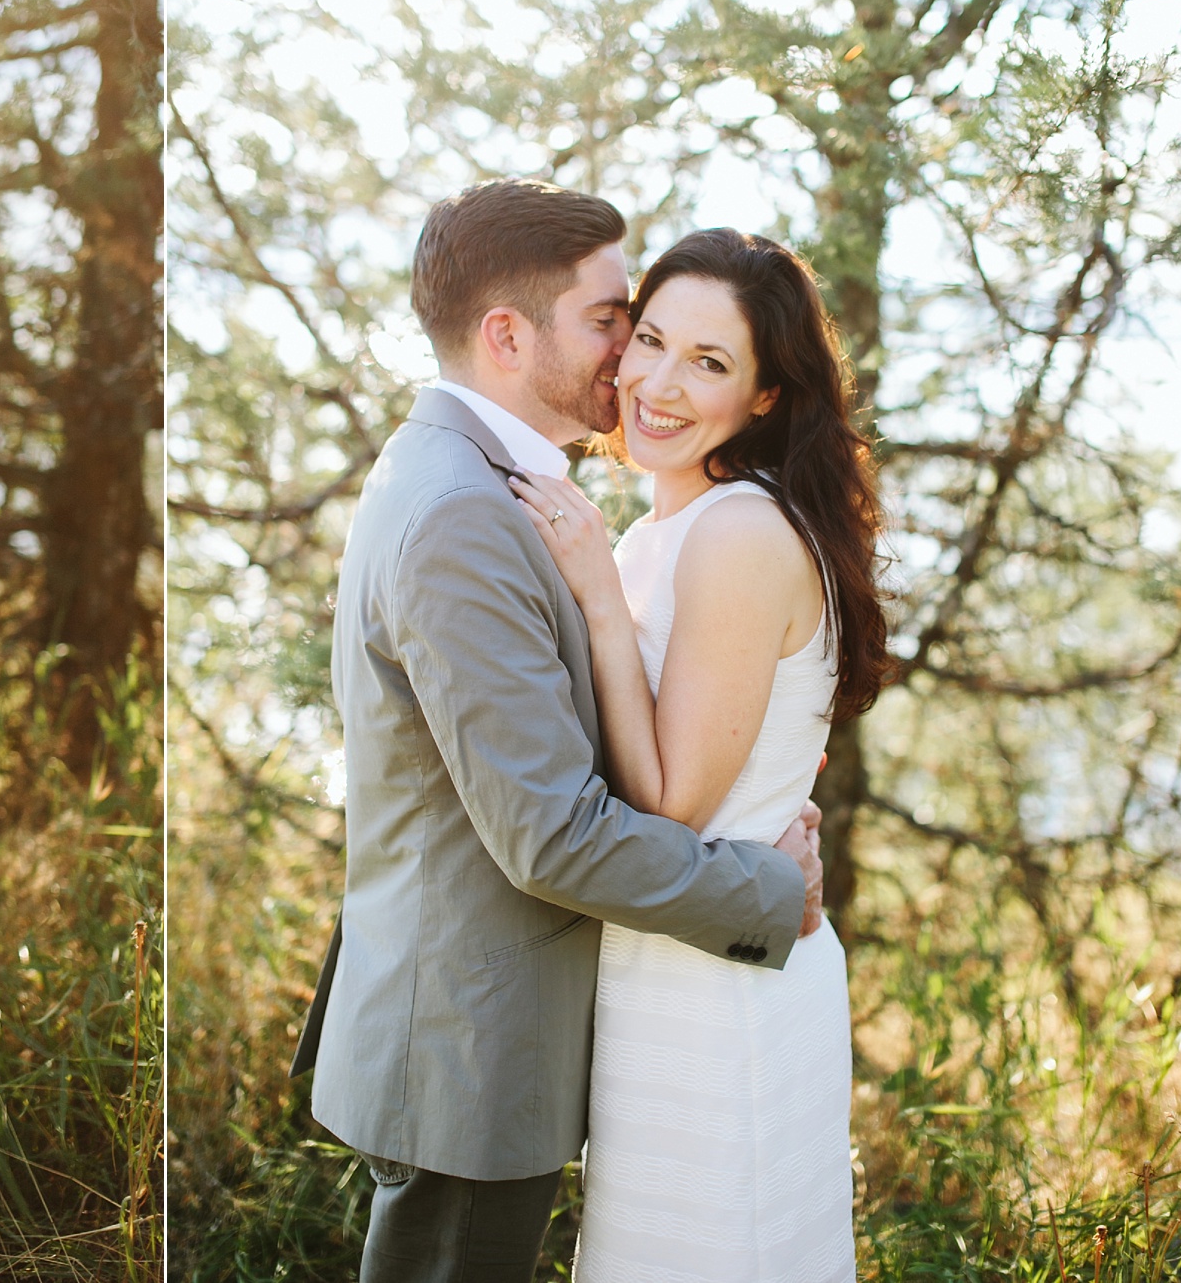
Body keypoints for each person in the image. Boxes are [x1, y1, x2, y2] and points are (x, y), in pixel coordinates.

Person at [293, 178, 826, 1283]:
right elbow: (551, 835)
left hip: (503, 1031)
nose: (629, 358)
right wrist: (769, 890)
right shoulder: (464, 512)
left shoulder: (477, 482)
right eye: (611, 321)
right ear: (505, 335)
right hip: (468, 1048)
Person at [510, 228, 879, 1280]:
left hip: (726, 988)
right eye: (651, 341)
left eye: (708, 362)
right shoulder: (658, 535)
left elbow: (672, 800)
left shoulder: (737, 533)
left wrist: (594, 594)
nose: (658, 385)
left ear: (765, 396)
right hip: (671, 958)